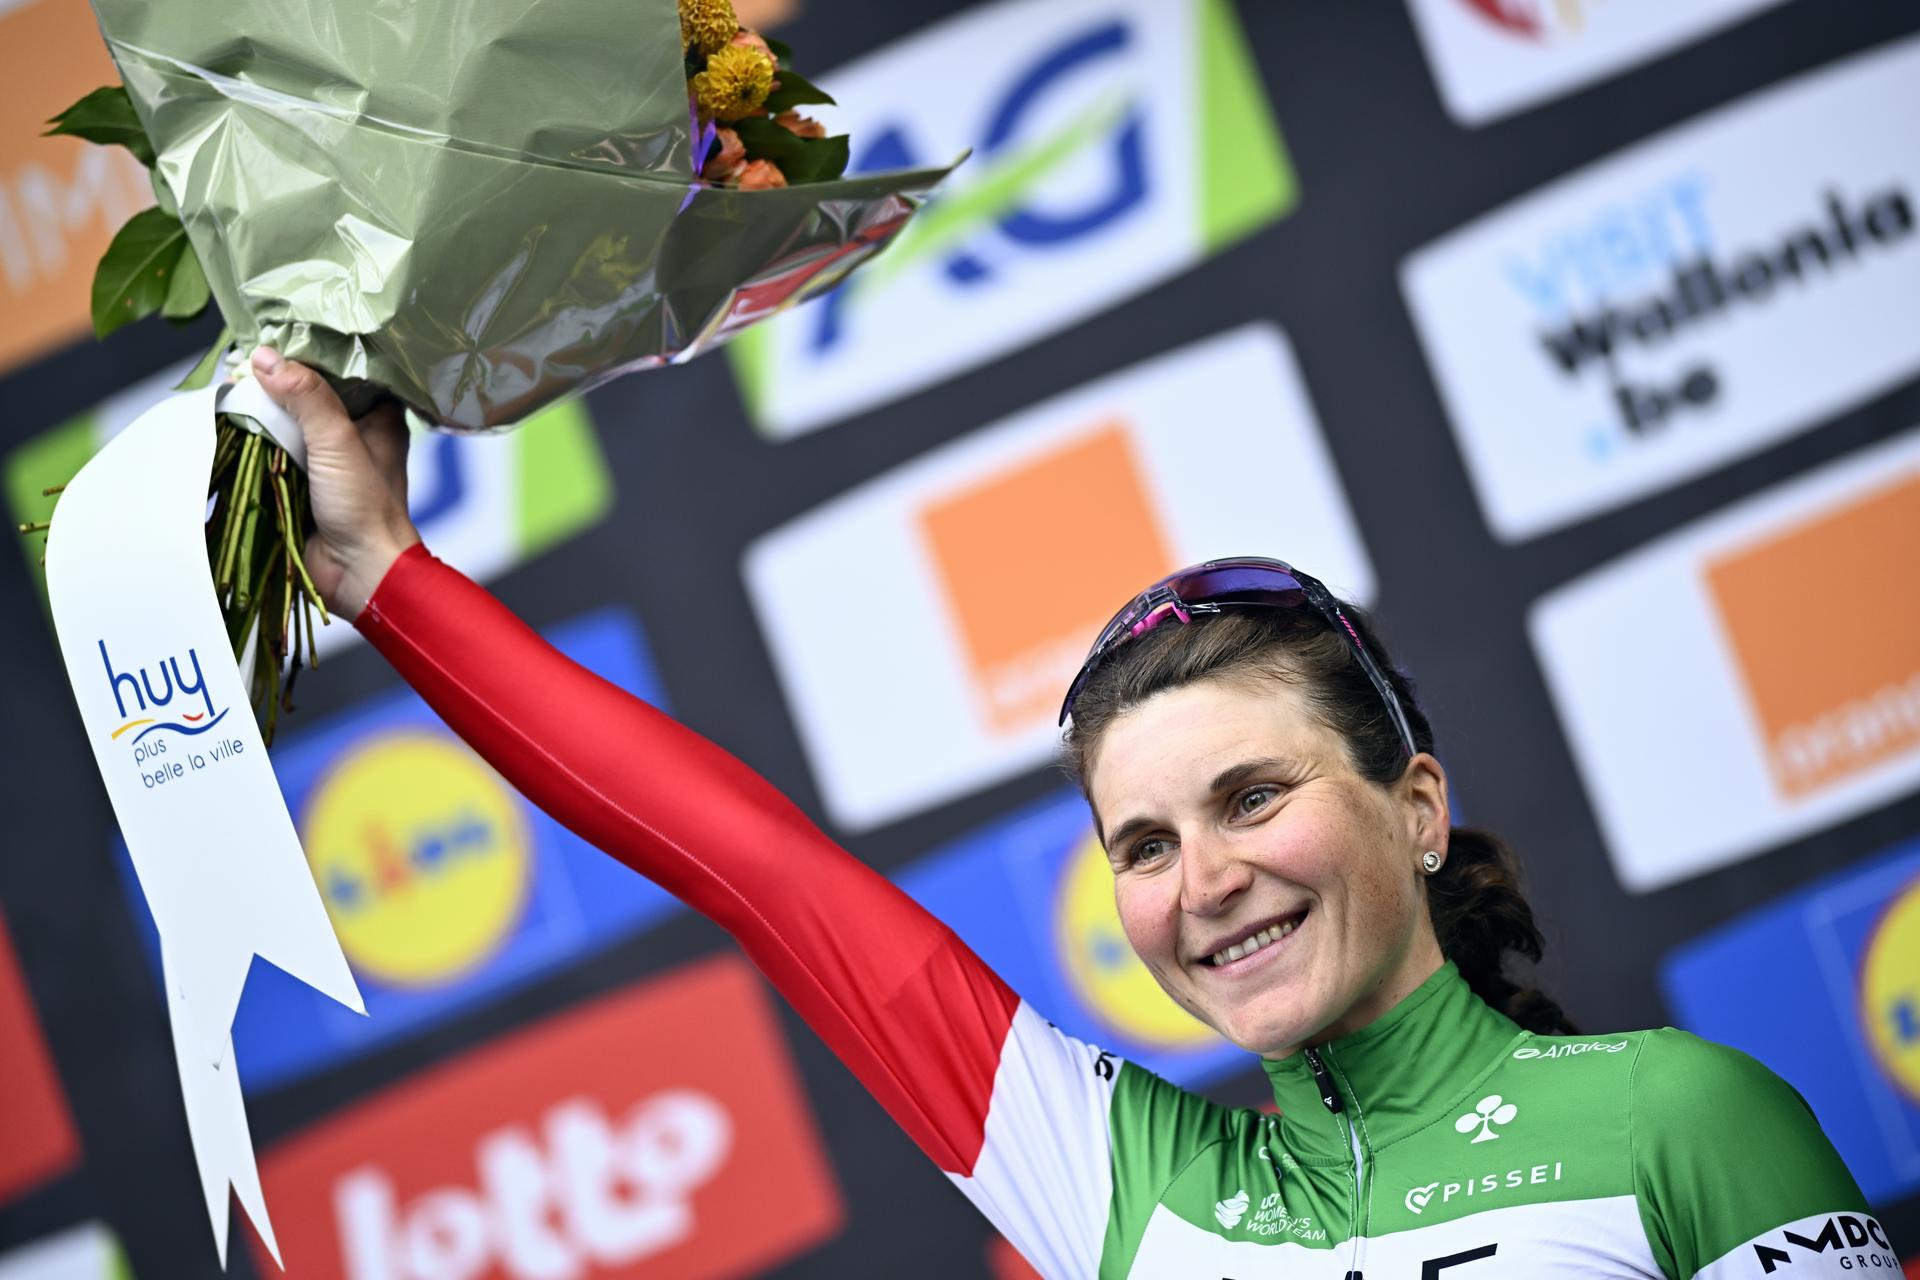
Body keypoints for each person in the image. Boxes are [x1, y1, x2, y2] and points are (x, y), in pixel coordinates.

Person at [252, 347, 1898, 1278]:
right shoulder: (1108, 1178)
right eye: (1148, 843)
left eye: (1253, 796)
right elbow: (762, 875)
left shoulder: (1680, 1121)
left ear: (1416, 807)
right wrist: (381, 574)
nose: (1211, 881)